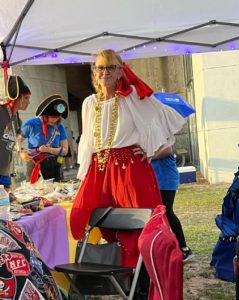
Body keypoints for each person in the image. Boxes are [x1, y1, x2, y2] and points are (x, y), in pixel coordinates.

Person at [70, 49, 186, 297]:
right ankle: (124, 280)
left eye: (111, 67)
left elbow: (162, 118)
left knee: (140, 228)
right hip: (100, 171)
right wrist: (84, 175)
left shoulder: (131, 96)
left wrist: (151, 151)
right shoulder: (89, 103)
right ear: (94, 72)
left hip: (130, 171)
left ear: (121, 71)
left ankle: (143, 287)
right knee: (99, 223)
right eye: (100, 68)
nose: (105, 73)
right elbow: (88, 142)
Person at [151, 147, 193, 261]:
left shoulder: (162, 132)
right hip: (155, 180)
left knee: (167, 212)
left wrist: (148, 155)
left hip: (165, 180)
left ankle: (184, 248)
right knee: (157, 215)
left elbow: (168, 150)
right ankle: (164, 247)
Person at [18, 94, 69, 183]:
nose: (55, 120)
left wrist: (49, 150)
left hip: (54, 164)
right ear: (45, 115)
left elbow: (65, 150)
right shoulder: (31, 123)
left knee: (55, 190)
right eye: (52, 117)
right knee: (33, 191)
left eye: (57, 118)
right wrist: (20, 152)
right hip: (34, 162)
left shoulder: (60, 127)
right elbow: (18, 140)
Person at [0, 75, 31, 190]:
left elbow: (16, 138)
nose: (29, 102)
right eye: (27, 98)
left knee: (6, 206)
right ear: (19, 98)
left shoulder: (17, 118)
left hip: (5, 171)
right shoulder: (1, 111)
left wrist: (21, 151)